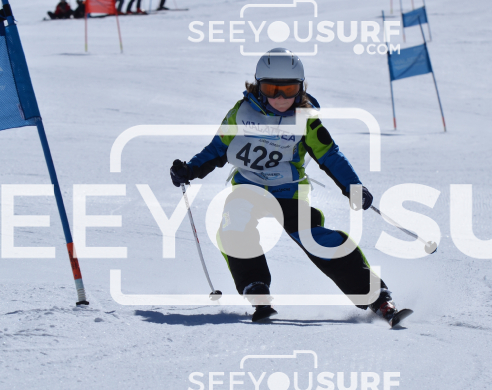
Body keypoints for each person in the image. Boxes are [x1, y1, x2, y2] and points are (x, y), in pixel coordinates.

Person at [169, 48, 406, 325]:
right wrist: (191, 169)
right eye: (272, 89)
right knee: (233, 226)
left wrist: (353, 186)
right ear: (258, 86)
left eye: (289, 90)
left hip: (289, 191)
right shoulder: (241, 113)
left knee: (315, 238)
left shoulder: (305, 120)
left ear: (300, 88)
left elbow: (329, 154)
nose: (280, 98)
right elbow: (218, 148)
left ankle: (377, 297)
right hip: (248, 188)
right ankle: (256, 288)